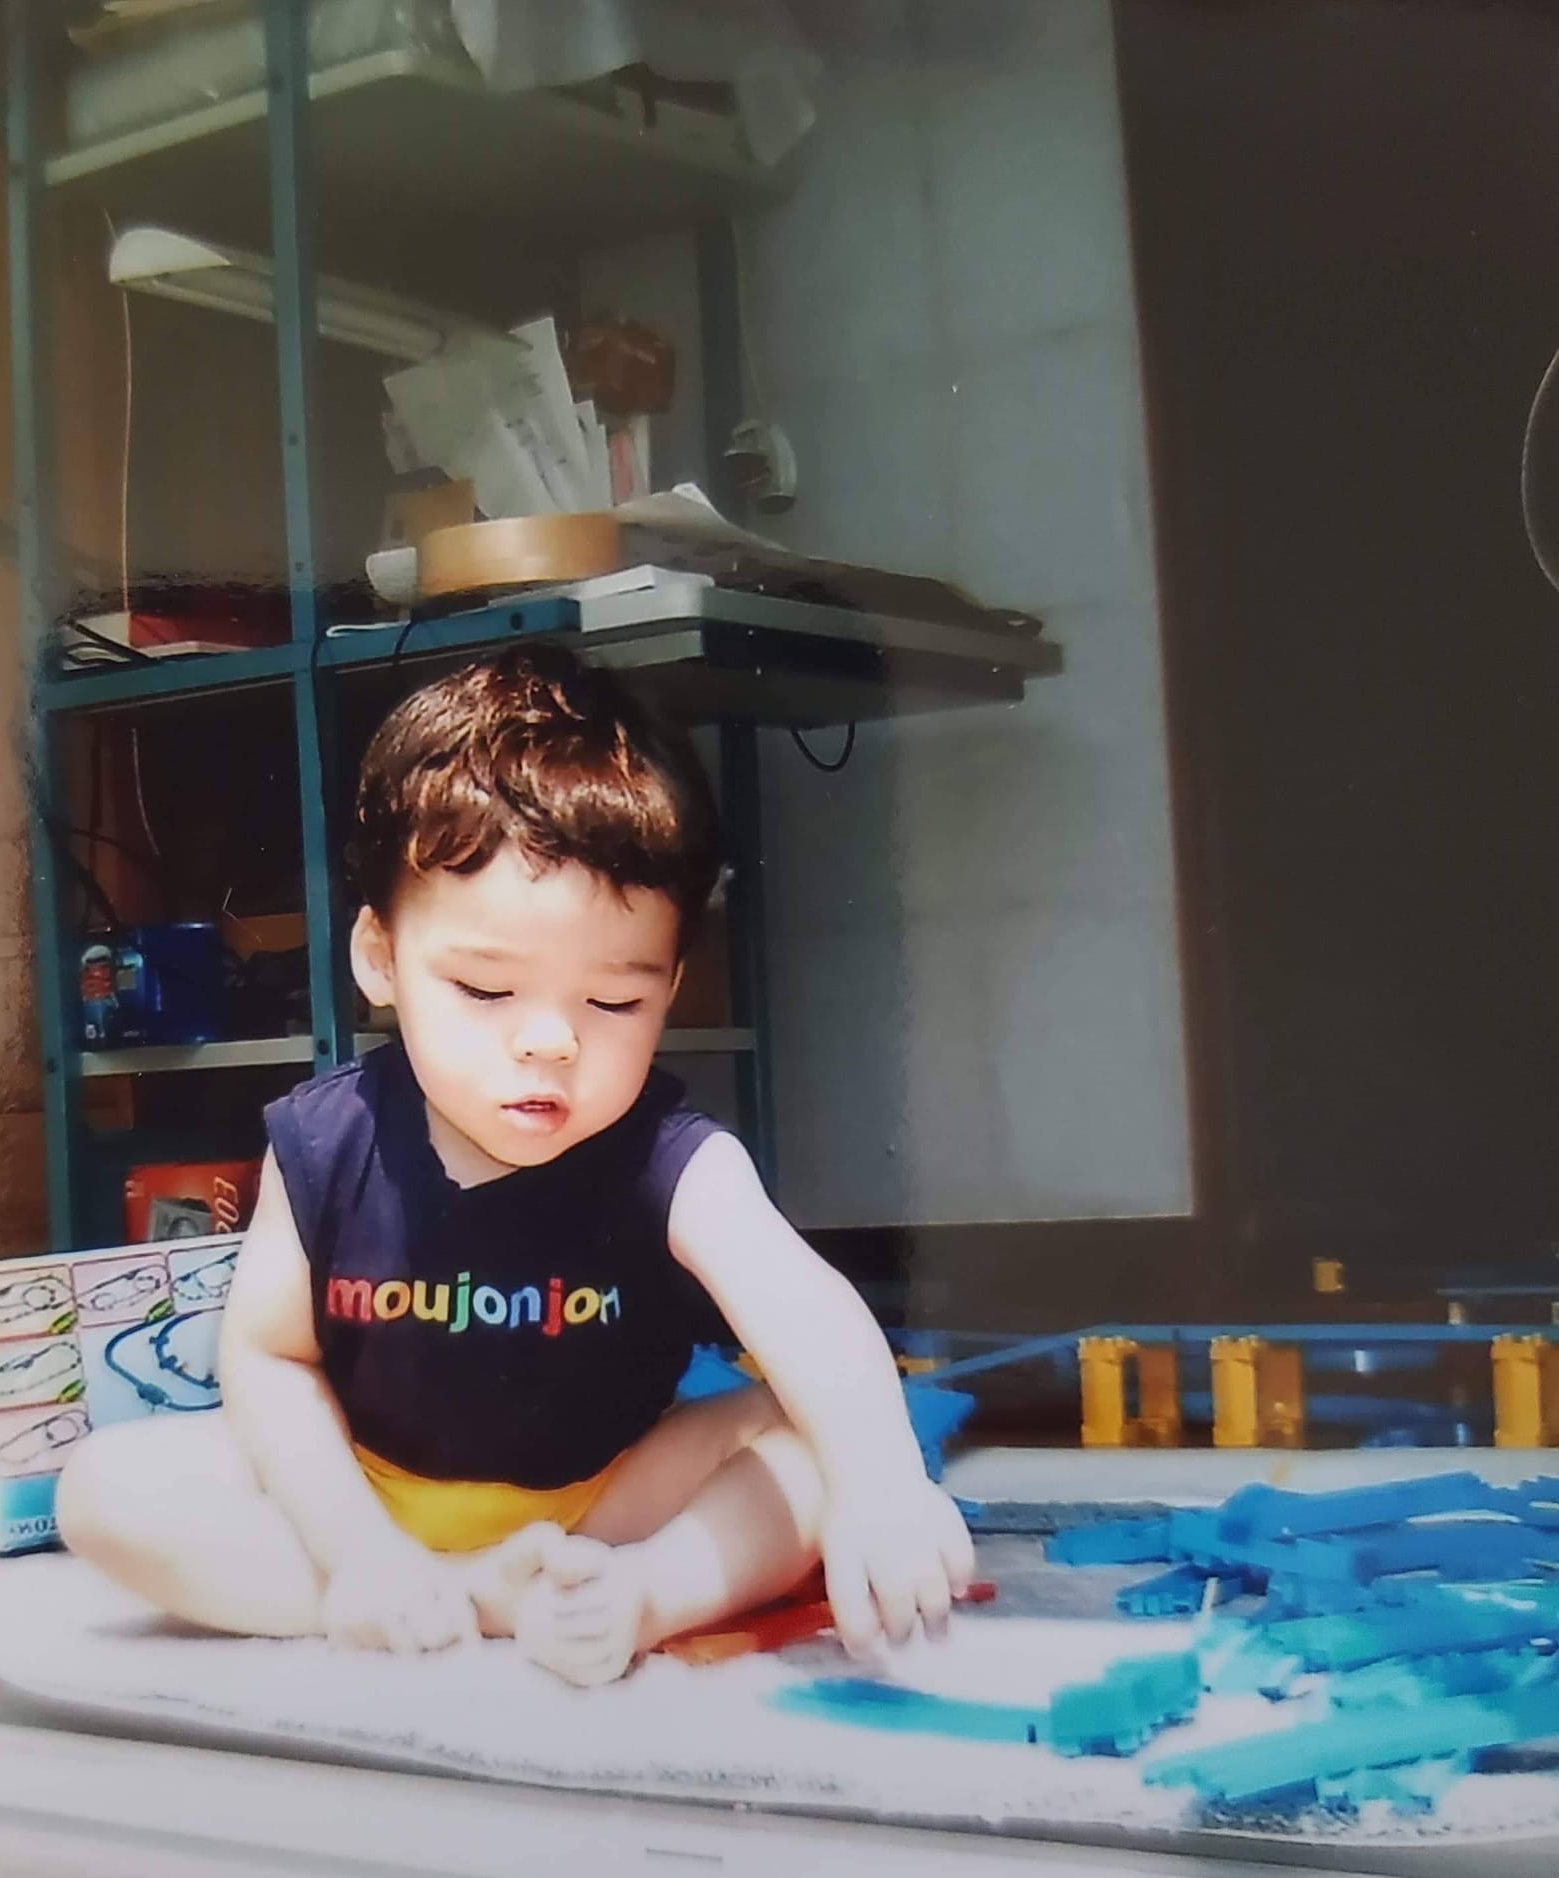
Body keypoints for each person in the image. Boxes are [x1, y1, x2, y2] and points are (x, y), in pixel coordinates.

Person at [57, 644, 972, 1685]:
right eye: (487, 992)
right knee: (104, 1491)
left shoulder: (679, 1166)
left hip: (609, 1503)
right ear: (379, 960)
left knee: (802, 1438)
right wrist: (357, 1549)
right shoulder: (321, 1143)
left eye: (614, 1003)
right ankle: (433, 1596)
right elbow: (268, 1360)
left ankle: (637, 1602)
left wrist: (879, 1484)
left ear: (669, 986)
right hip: (373, 1493)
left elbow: (807, 1313)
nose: (549, 1042)